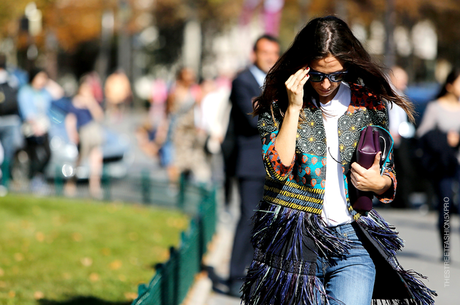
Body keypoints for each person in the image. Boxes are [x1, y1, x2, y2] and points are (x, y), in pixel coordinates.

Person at [241, 16, 436, 305]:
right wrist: (294, 106)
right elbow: (277, 168)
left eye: (336, 75)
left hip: (354, 238)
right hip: (297, 240)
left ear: (348, 66)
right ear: (303, 66)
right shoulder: (279, 102)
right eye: (317, 75)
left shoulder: (369, 103)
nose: (326, 84)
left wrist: (377, 182)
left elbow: (388, 175)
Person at [223, 34, 280, 297]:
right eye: (265, 52)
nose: (270, 57)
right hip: (249, 163)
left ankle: (256, 275)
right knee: (248, 218)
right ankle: (235, 275)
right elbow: (251, 119)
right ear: (253, 54)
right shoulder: (242, 81)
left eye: (273, 53)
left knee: (267, 221)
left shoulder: (277, 83)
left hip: (274, 163)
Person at [417, 67, 460, 263]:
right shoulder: (436, 107)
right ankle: (446, 250)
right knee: (445, 206)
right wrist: (445, 138)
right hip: (444, 166)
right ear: (450, 85)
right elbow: (422, 134)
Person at [17, 68, 63, 194]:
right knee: (34, 155)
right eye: (40, 77)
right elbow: (26, 110)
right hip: (31, 128)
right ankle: (33, 179)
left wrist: (48, 82)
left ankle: (38, 176)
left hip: (44, 126)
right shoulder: (25, 91)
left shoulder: (44, 92)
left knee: (48, 154)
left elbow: (59, 92)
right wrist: (34, 125)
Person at [65, 74, 105, 198]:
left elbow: (99, 116)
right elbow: (70, 120)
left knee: (96, 161)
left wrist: (91, 103)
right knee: (80, 160)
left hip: (94, 131)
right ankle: (71, 183)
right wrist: (72, 134)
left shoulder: (92, 101)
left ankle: (94, 187)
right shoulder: (76, 102)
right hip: (84, 133)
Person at [0, 53, 23, 189]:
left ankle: (4, 182)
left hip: (9, 120)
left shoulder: (11, 79)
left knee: (7, 152)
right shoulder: (11, 79)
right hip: (7, 120)